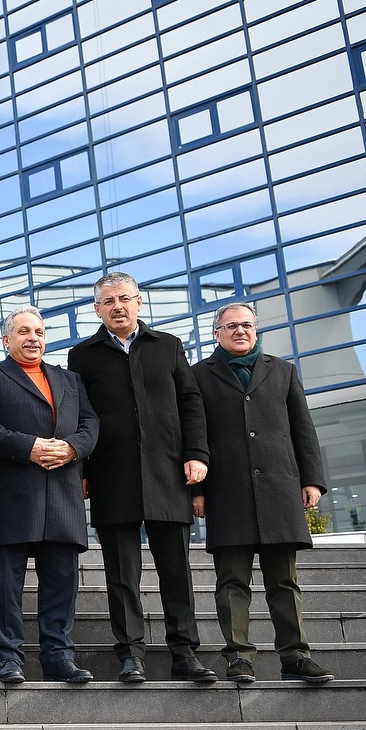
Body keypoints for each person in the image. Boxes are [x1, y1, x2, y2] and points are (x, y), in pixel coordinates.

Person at [67, 272, 216, 684]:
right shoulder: (82, 356)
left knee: (176, 571)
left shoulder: (167, 346)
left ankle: (185, 653)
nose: (117, 306)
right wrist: (81, 471)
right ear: (97, 310)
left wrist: (197, 455)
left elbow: (191, 403)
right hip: (112, 475)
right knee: (121, 574)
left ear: (139, 302)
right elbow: (79, 418)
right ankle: (131, 654)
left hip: (168, 472)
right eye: (108, 301)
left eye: (124, 299)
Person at [191, 302, 334, 685]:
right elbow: (194, 434)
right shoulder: (197, 376)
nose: (241, 331)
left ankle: (296, 656)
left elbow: (303, 429)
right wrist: (198, 490)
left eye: (247, 325)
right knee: (232, 582)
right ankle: (239, 657)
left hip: (279, 490)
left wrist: (311, 480)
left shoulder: (283, 371)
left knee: (284, 582)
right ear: (216, 333)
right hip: (227, 491)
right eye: (232, 326)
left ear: (256, 330)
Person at [0, 307, 98, 683]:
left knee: (62, 581)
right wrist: (29, 447)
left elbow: (91, 423)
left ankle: (58, 656)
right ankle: (9, 657)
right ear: (6, 340)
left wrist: (72, 448)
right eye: (24, 331)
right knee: (5, 586)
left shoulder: (70, 380)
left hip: (62, 494)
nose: (33, 338)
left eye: (39, 332)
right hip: (11, 495)